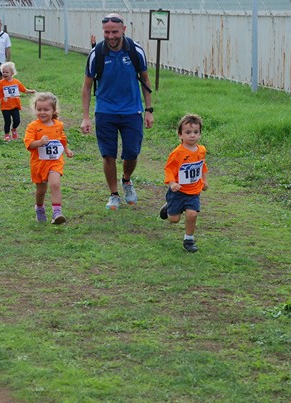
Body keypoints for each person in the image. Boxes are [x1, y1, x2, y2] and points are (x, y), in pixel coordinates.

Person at [80, 13, 154, 210]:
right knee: (108, 155)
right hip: (105, 111)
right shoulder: (97, 54)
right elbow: (86, 87)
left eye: (114, 31)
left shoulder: (135, 51)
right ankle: (113, 194)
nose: (111, 36)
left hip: (132, 111)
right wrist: (86, 117)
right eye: (107, 32)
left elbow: (145, 80)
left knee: (131, 153)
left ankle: (127, 180)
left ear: (123, 30)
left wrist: (149, 110)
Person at [159, 114, 209, 253]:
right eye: (188, 132)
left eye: (195, 132)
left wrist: (204, 180)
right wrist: (172, 183)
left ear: (200, 134)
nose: (192, 135)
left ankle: (189, 240)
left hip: (194, 191)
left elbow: (203, 166)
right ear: (180, 134)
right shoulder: (177, 153)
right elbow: (169, 169)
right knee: (174, 219)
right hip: (178, 191)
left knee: (192, 215)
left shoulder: (201, 150)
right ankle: (169, 206)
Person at [24, 92, 74, 225]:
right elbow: (28, 144)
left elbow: (62, 140)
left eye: (46, 109)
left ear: (53, 110)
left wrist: (67, 150)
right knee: (41, 190)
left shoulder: (58, 125)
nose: (42, 112)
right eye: (39, 109)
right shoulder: (33, 127)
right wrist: (39, 142)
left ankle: (57, 213)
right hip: (39, 164)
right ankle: (39, 208)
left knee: (55, 184)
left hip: (55, 162)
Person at [0, 61, 35, 141]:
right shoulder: (1, 83)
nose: (5, 74)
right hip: (5, 106)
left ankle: (14, 129)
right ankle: (6, 134)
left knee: (17, 120)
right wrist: (1, 98)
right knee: (7, 121)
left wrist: (31, 91)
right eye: (3, 72)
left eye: (7, 72)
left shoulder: (16, 82)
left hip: (15, 106)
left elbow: (23, 89)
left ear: (12, 73)